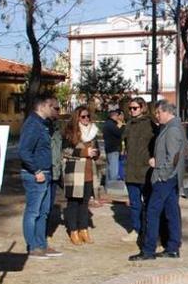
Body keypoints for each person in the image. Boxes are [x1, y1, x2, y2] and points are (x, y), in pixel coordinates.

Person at [129, 100, 185, 261]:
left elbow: (173, 157)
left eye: (158, 113)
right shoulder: (170, 127)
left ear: (166, 112)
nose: (157, 116)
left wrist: (161, 173)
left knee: (152, 212)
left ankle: (148, 250)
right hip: (170, 178)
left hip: (165, 178)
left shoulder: (173, 129)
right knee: (171, 212)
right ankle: (173, 247)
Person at [18, 93, 62, 259]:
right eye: (54, 107)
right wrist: (36, 171)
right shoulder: (33, 125)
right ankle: (33, 246)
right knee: (33, 211)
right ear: (44, 106)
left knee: (44, 212)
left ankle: (42, 244)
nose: (57, 111)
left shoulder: (44, 125)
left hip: (46, 173)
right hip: (36, 175)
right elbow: (24, 151)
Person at [61, 105, 100, 246]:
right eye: (83, 116)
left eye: (88, 116)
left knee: (84, 204)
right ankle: (73, 230)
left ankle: (84, 229)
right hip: (75, 173)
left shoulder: (93, 132)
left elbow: (98, 151)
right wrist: (84, 153)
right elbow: (65, 150)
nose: (86, 119)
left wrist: (96, 153)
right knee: (73, 204)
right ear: (77, 117)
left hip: (89, 172)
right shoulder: (70, 132)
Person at [121, 97, 156, 242]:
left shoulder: (150, 124)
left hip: (146, 170)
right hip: (131, 169)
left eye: (135, 108)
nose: (132, 111)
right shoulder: (128, 125)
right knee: (134, 203)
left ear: (142, 108)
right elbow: (124, 143)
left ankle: (149, 230)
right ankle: (136, 229)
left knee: (149, 203)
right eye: (130, 108)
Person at [102, 108, 124, 192]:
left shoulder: (108, 124)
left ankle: (108, 186)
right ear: (114, 116)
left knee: (109, 169)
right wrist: (121, 125)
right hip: (113, 149)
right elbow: (119, 133)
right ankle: (112, 187)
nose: (118, 117)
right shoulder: (111, 125)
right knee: (113, 170)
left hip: (109, 148)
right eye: (117, 116)